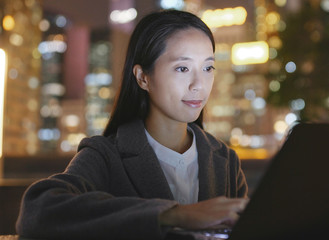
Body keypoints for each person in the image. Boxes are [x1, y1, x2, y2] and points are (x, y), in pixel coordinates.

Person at [16, 10, 248, 240]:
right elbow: (38, 211)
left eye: (208, 68)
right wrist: (175, 215)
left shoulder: (225, 160)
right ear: (142, 78)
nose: (199, 84)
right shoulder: (106, 155)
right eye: (182, 68)